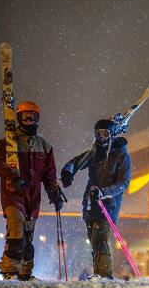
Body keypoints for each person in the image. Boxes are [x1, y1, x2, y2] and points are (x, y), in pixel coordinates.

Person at [0, 101, 64, 280]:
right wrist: (13, 177)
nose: (29, 120)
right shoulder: (8, 142)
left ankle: (25, 272)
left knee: (28, 235)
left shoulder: (45, 146)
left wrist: (53, 191)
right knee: (16, 229)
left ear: (38, 119)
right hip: (13, 194)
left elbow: (49, 174)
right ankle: (9, 270)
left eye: (33, 117)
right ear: (18, 118)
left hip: (33, 197)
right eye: (25, 117)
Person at [60, 119, 131, 279]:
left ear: (112, 135)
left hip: (108, 205)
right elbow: (75, 162)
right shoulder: (93, 154)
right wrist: (68, 172)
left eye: (105, 134)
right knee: (94, 240)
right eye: (98, 134)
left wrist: (104, 192)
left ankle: (104, 274)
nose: (101, 138)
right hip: (91, 204)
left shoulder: (121, 156)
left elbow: (124, 183)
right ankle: (100, 273)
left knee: (99, 237)